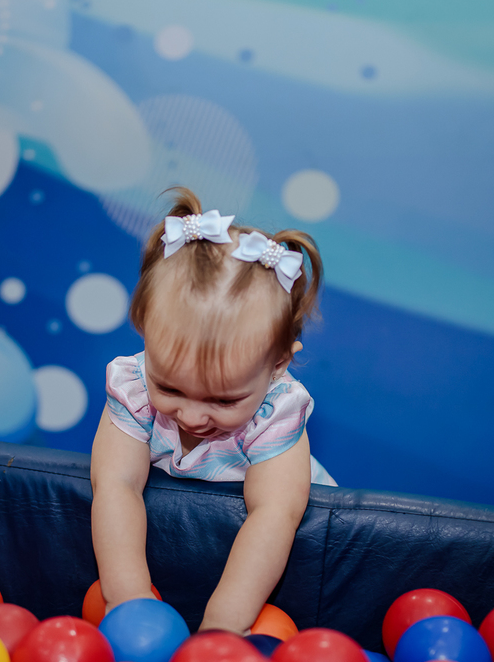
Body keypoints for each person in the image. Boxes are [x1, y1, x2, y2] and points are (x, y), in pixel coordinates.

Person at [91, 187, 335, 635]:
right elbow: (116, 484)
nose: (192, 416)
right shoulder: (134, 387)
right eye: (170, 388)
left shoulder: (274, 413)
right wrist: (126, 598)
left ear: (277, 366)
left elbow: (274, 516)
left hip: (277, 557)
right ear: (144, 333)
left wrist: (222, 627)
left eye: (223, 401)